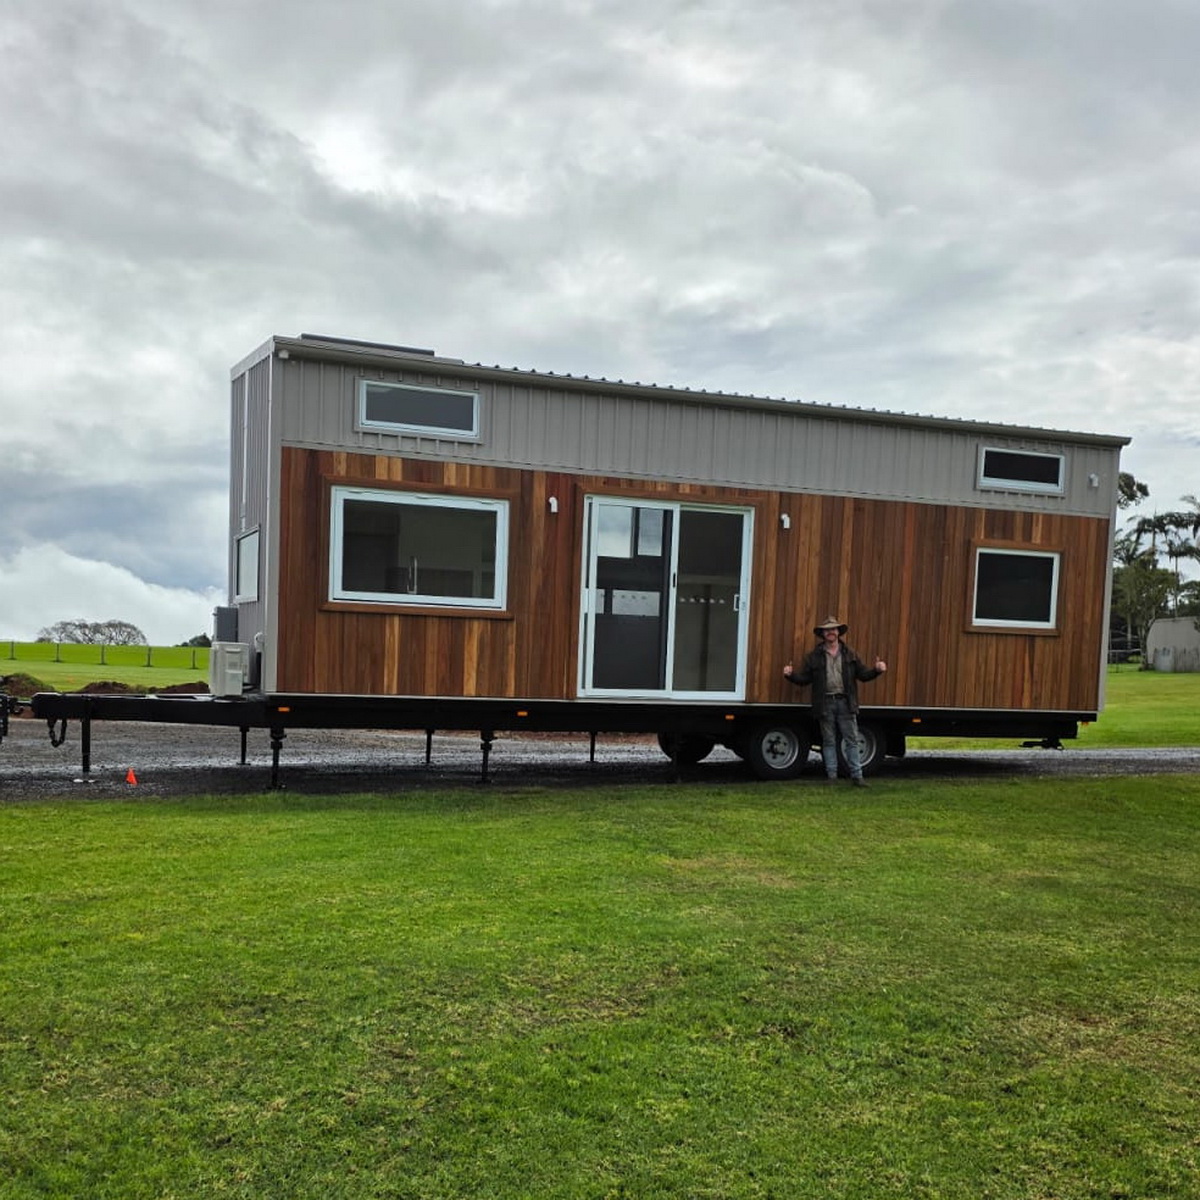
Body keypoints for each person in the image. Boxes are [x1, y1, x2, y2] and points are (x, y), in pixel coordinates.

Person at [783, 615, 887, 786]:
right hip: (825, 703)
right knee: (829, 741)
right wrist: (790, 675)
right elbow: (804, 680)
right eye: (827, 629)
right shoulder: (813, 657)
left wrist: (876, 670)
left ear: (838, 632)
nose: (830, 632)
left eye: (833, 629)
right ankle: (831, 777)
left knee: (851, 740)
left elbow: (863, 675)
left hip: (846, 703)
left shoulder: (851, 654)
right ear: (822, 634)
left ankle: (857, 777)